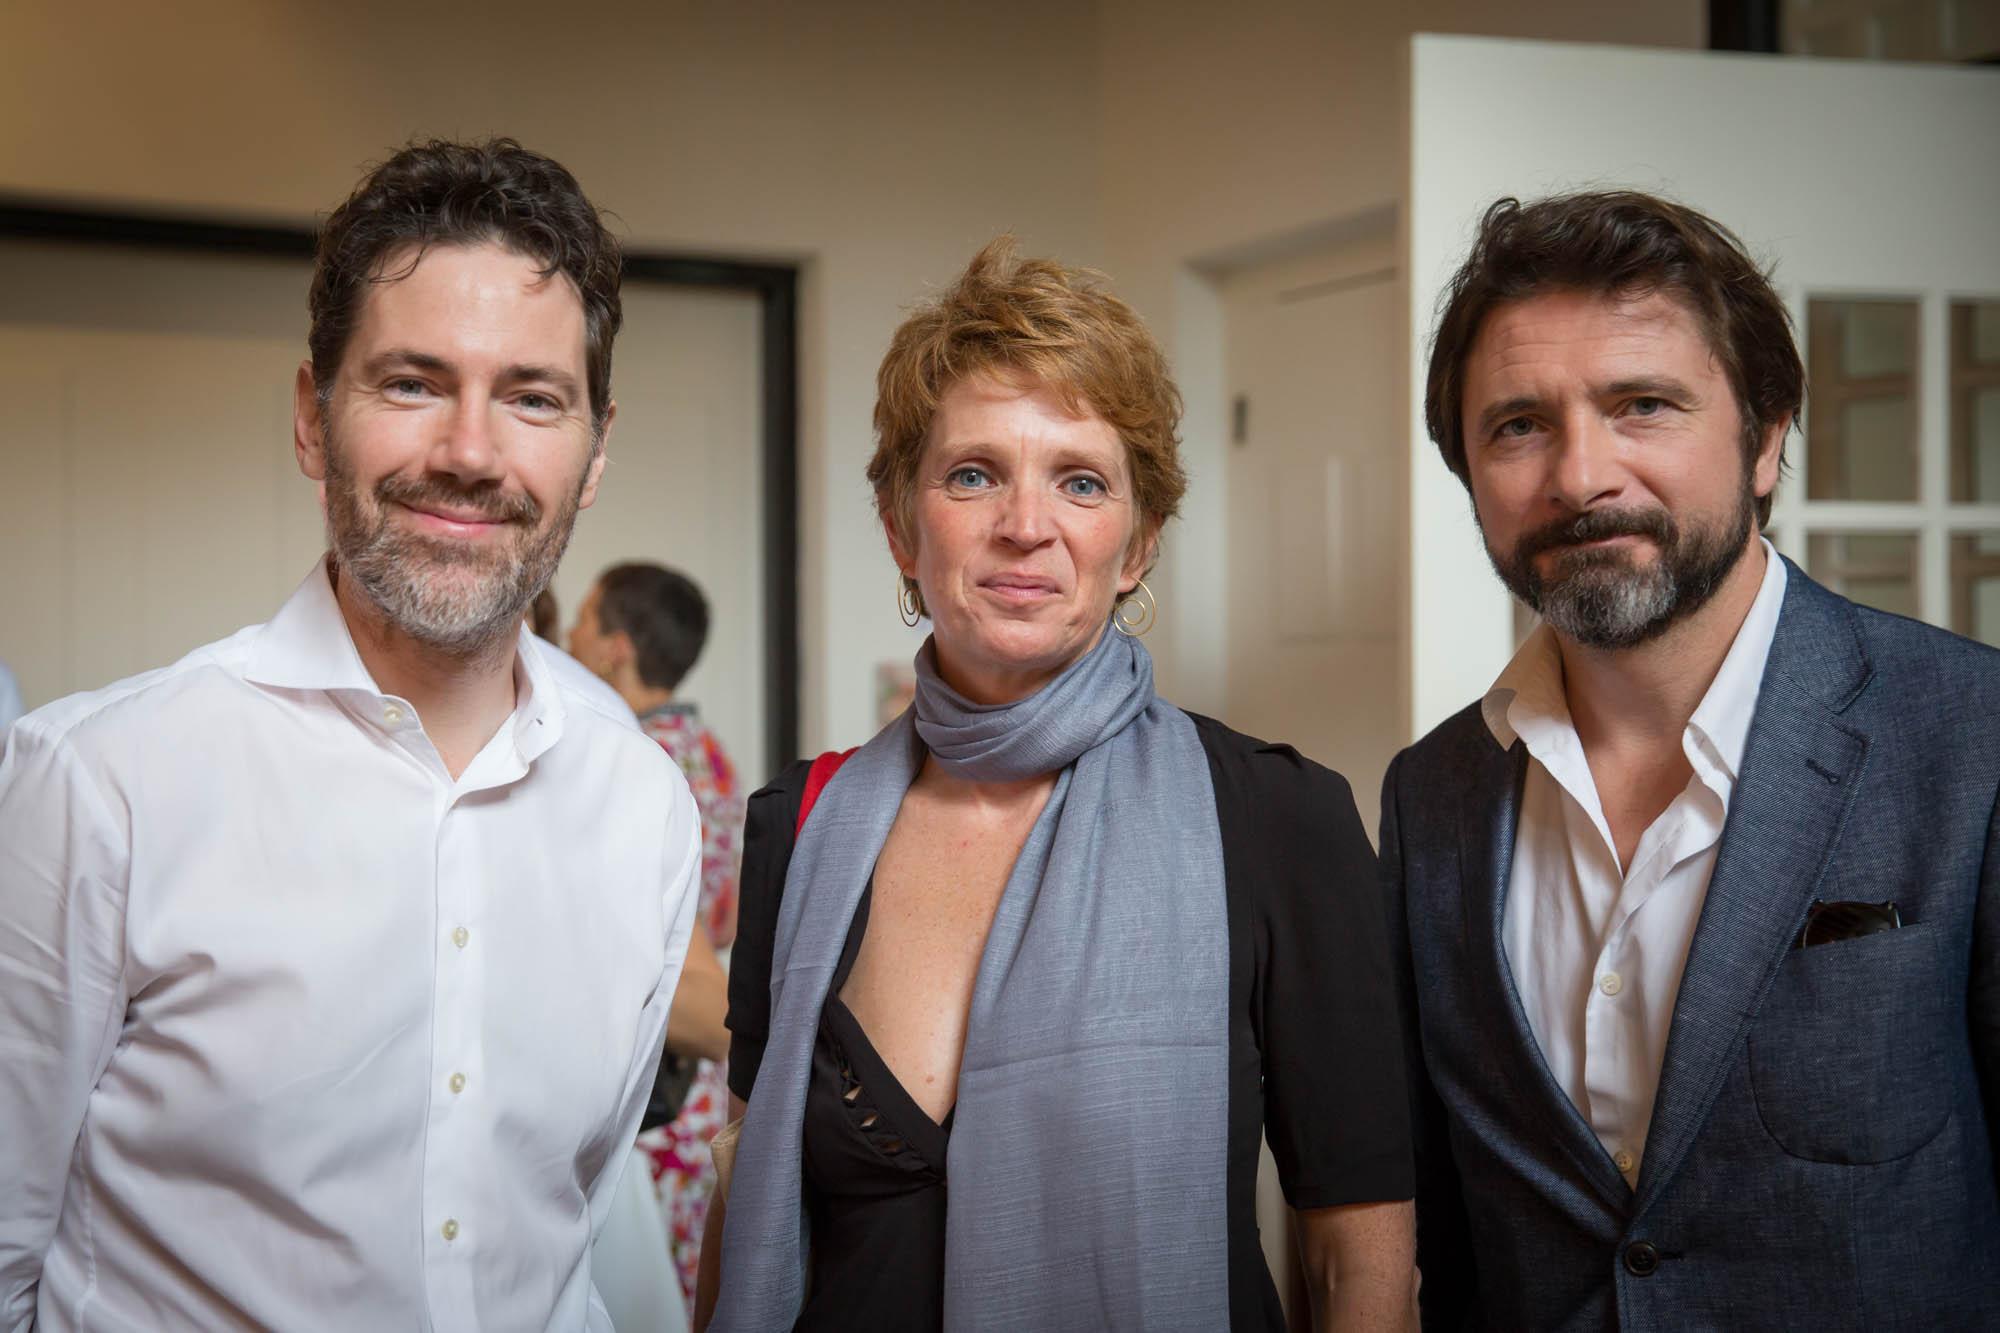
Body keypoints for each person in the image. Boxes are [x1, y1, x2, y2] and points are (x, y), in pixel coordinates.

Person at [0, 139, 704, 1330]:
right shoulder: (99, 783)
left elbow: (566, 1230)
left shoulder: (642, 806)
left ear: (592, 454)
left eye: (533, 398)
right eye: (412, 383)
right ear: (310, 418)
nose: (469, 454)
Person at [702, 239, 1416, 1333]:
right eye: (972, 474)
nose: (1025, 525)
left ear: (1137, 545)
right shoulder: (797, 827)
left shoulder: (1279, 820)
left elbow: (1357, 1265)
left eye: (1080, 482)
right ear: (901, 528)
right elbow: (741, 1202)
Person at [1382, 190, 2000, 1330]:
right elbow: (1452, 1230)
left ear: (1764, 439)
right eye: (1517, 425)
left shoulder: (1972, 736)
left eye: (1642, 405)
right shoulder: (1432, 794)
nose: (1580, 476)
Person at [570, 561, 744, 1307]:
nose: (570, 635)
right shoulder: (711, 753)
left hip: (655, 1076)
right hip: (710, 1081)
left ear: (617, 647)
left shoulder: (629, 760)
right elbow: (726, 914)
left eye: (584, 618)